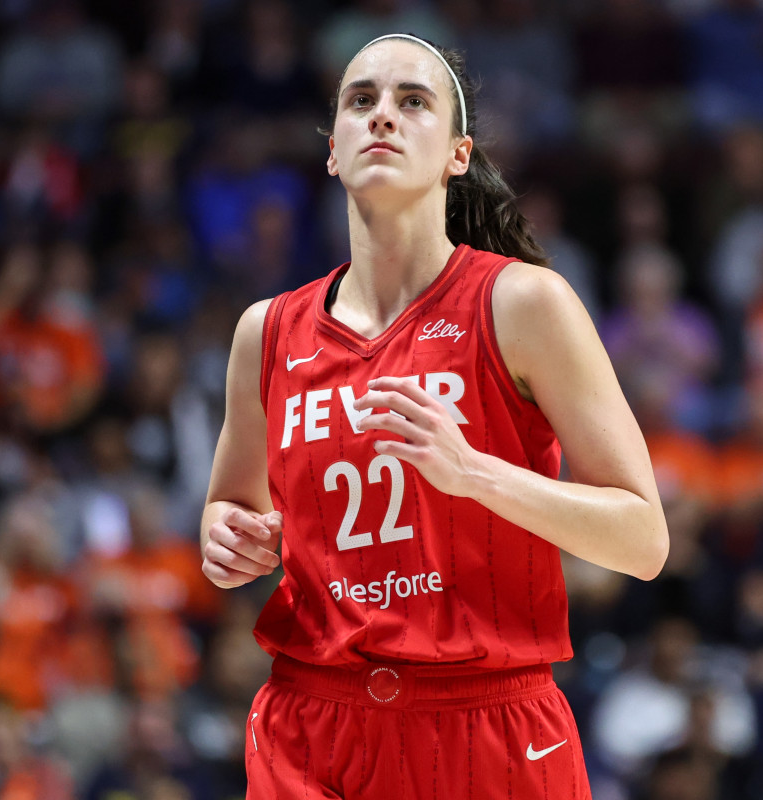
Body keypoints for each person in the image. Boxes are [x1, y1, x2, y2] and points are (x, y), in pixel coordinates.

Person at [200, 33, 669, 799]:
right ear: (331, 151)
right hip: (311, 725)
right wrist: (226, 538)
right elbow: (229, 504)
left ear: (458, 154)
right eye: (362, 100)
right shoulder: (267, 331)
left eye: (412, 101)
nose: (383, 115)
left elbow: (643, 539)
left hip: (490, 726)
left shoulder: (523, 303)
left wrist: (474, 472)